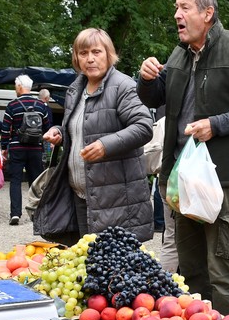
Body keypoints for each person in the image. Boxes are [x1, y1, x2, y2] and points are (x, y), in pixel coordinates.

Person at [138, 0, 229, 316]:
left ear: (207, 13)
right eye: (176, 8)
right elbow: (154, 99)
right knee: (190, 268)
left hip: (225, 178)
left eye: (185, 8)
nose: (177, 15)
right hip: (183, 177)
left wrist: (217, 124)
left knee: (225, 267)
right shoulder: (178, 54)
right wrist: (146, 80)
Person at [33, 28, 154, 245]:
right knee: (87, 263)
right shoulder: (75, 89)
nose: (90, 59)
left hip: (117, 199)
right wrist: (59, 132)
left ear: (109, 54)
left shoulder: (123, 86)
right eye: (83, 53)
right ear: (77, 58)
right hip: (81, 196)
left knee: (113, 270)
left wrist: (105, 145)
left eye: (96, 52)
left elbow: (143, 126)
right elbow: (81, 127)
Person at [1, 75, 52, 225]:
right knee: (36, 181)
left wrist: (4, 147)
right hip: (35, 148)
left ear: (18, 86)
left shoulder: (12, 105)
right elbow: (47, 128)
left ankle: (15, 214)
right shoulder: (41, 105)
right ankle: (37, 213)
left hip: (17, 147)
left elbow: (5, 128)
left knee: (15, 181)